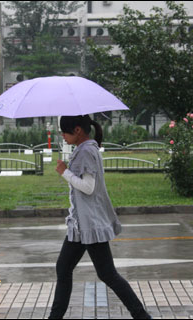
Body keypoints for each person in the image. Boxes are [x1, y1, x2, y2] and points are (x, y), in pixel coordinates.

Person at [48, 115, 151, 319]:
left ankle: (142, 316)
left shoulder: (86, 151)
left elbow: (88, 187)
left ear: (78, 131)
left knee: (107, 274)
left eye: (65, 132)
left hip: (91, 225)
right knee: (64, 267)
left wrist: (65, 172)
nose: (63, 135)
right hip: (80, 225)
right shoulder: (84, 149)